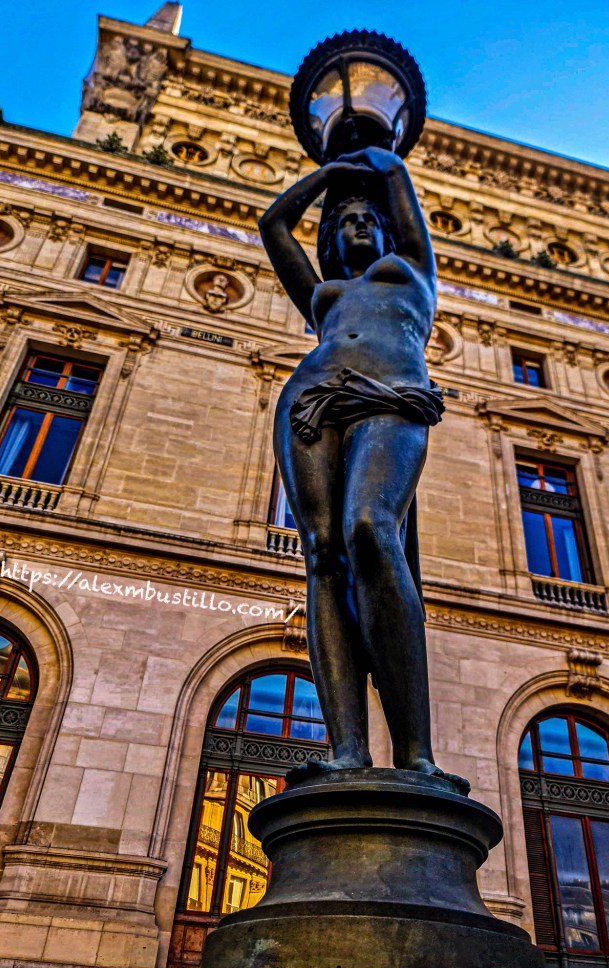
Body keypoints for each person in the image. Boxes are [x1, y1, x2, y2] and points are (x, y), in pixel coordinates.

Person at [259, 146, 468, 792]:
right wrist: (327, 177)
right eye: (343, 220)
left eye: (364, 218)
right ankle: (348, 748)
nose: (356, 226)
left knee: (371, 530)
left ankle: (416, 752)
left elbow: (405, 212)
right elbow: (272, 226)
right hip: (314, 400)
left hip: (393, 398)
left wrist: (384, 168)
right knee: (322, 554)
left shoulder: (412, 272)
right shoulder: (323, 293)